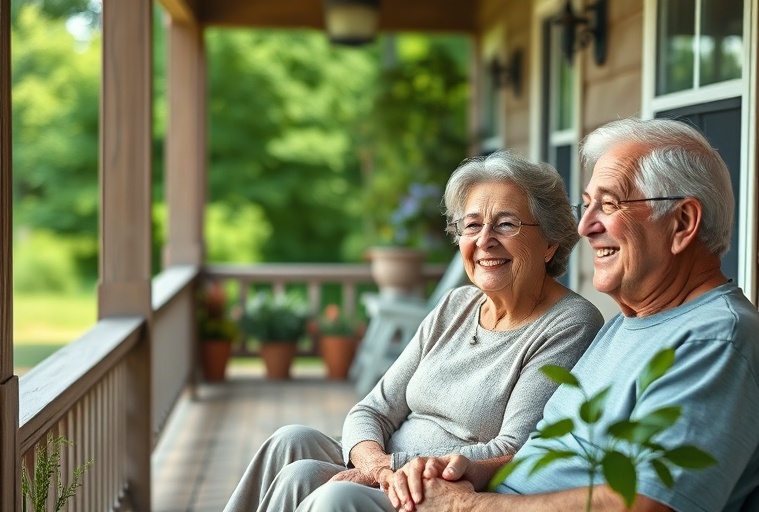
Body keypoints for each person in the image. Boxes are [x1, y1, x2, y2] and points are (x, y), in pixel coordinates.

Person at [300, 117, 759, 512]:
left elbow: (646, 502)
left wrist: (468, 506)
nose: (587, 225)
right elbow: (541, 451)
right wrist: (475, 472)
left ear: (682, 222)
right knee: (305, 465)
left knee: (337, 498)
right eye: (587, 206)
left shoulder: (715, 341)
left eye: (610, 205)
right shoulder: (630, 324)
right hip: (495, 495)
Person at [222, 150, 604, 512]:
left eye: (506, 224)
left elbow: (515, 449)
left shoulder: (568, 323)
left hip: (440, 488)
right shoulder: (457, 305)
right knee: (290, 442)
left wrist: (398, 469)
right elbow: (372, 409)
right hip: (390, 466)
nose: (484, 239)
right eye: (472, 225)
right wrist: (377, 466)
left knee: (318, 485)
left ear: (551, 242)